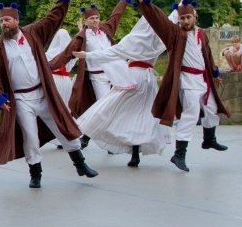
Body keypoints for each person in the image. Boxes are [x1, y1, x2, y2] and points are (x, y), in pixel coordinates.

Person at [0, 0, 98, 188]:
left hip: (42, 93)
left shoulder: (33, 33)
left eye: (7, 20)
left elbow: (53, 17)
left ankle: (80, 163)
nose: (4, 24)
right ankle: (35, 174)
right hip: (21, 99)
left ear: (17, 20)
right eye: (1, 20)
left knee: (61, 125)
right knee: (30, 135)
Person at [134, 0, 230, 172]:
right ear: (179, 19)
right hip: (187, 80)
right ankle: (179, 154)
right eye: (182, 18)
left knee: (211, 108)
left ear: (195, 16)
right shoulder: (175, 34)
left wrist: (215, 73)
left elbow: (207, 55)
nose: (186, 21)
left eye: (189, 17)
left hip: (203, 79)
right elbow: (159, 21)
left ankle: (209, 139)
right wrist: (146, 3)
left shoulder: (202, 34)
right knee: (192, 112)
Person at [72, 11, 170, 167]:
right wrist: (180, 6)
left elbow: (112, 52)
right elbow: (170, 23)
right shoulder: (158, 41)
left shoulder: (134, 39)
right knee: (142, 116)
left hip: (132, 78)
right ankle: (134, 153)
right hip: (148, 79)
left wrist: (88, 55)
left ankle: (89, 132)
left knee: (113, 106)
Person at [48, 0, 132, 147]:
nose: (95, 20)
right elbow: (67, 53)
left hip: (115, 75)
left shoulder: (106, 30)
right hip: (96, 77)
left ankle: (114, 141)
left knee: (118, 107)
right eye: (92, 18)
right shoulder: (82, 37)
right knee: (104, 106)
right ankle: (87, 135)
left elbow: (116, 15)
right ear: (85, 20)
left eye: (97, 18)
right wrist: (50, 66)